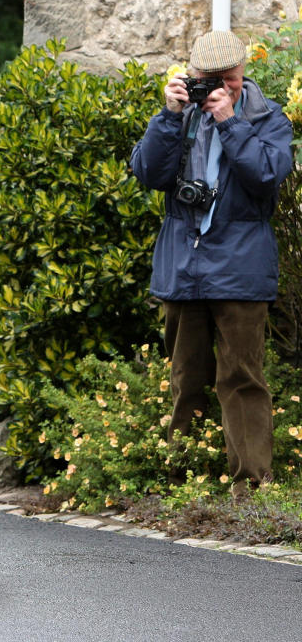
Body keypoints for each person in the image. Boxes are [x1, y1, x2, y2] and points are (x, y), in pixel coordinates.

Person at [130, 30, 294, 491]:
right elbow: (148, 172)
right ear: (193, 73)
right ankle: (186, 485)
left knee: (242, 380)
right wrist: (168, 114)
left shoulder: (268, 119)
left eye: (226, 78)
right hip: (184, 266)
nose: (217, 87)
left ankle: (251, 488)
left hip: (241, 271)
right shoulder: (180, 115)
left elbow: (266, 175)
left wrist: (228, 121)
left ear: (241, 73)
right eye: (207, 79)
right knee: (186, 379)